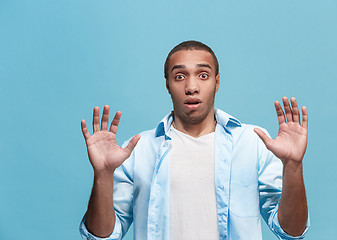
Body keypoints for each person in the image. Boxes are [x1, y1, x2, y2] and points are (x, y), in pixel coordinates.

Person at [79, 40, 310, 240]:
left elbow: (291, 232)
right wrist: (102, 175)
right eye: (179, 76)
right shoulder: (138, 150)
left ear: (217, 82)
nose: (191, 87)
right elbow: (103, 236)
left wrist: (293, 166)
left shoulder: (253, 143)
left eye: (203, 75)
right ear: (167, 84)